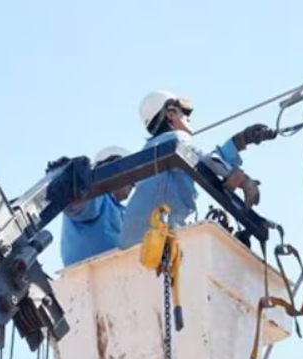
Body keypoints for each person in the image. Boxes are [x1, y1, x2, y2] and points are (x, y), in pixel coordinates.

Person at [118, 90, 277, 248]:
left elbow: (203, 161)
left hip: (132, 244)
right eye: (184, 112)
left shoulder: (149, 150)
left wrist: (240, 141)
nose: (189, 117)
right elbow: (208, 162)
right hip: (161, 238)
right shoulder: (176, 138)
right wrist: (242, 180)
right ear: (171, 114)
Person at [59, 146, 135, 266]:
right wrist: (75, 186)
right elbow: (80, 207)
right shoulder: (98, 197)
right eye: (131, 176)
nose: (133, 184)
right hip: (92, 271)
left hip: (122, 269)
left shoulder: (122, 211)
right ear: (113, 168)